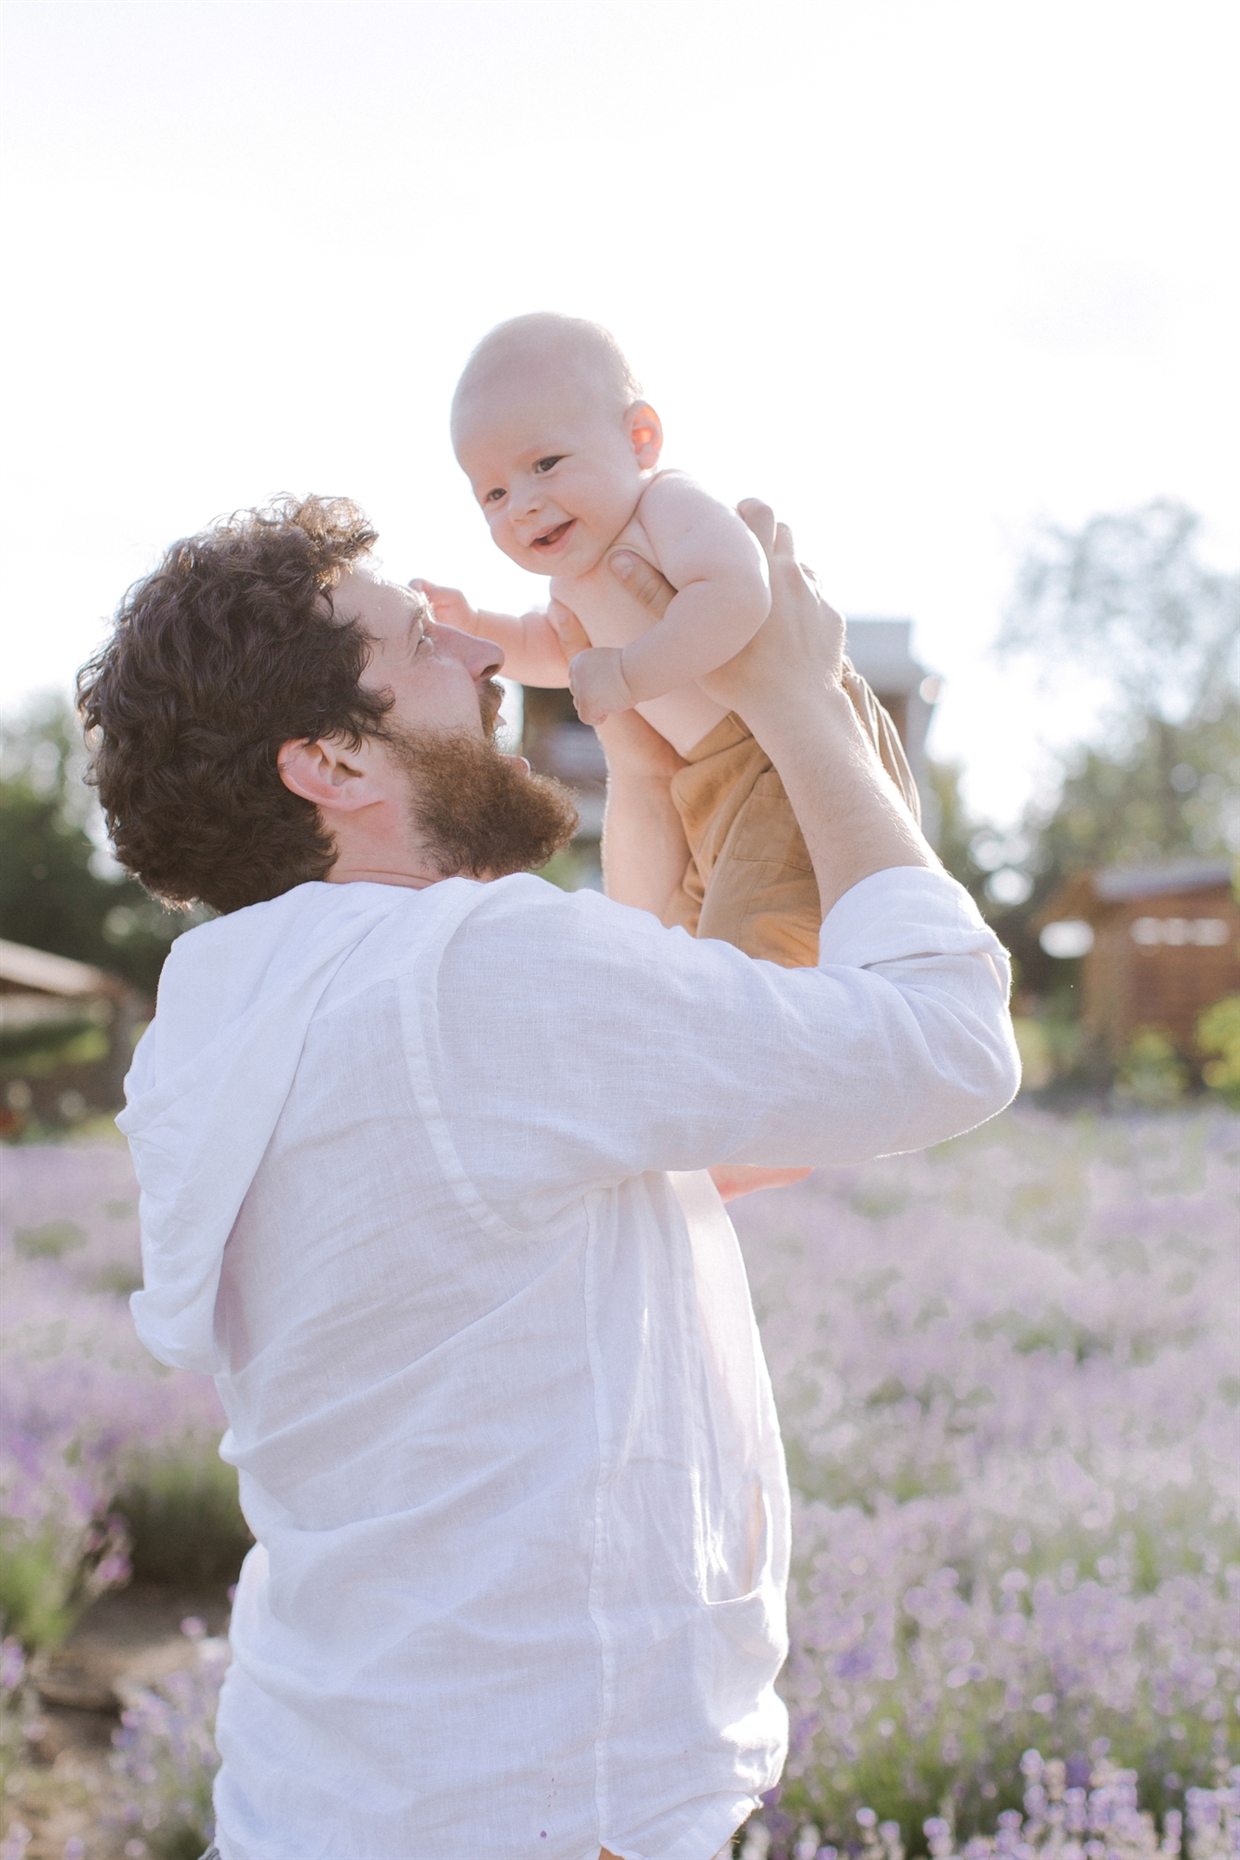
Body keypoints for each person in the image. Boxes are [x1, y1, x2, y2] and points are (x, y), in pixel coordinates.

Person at [78, 492, 1019, 1860]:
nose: (475, 650)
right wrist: (800, 697)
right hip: (537, 1803)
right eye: (421, 640)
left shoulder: (239, 1014)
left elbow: (674, 1127)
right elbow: (948, 1041)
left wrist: (642, 779)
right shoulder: (466, 977)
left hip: (330, 1790)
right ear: (332, 760)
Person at [415, 313, 919, 966]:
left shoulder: (665, 506)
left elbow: (737, 592)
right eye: (494, 492)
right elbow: (554, 649)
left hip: (781, 756)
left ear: (640, 439)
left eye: (546, 463)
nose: (522, 505)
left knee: (746, 956)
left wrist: (627, 674)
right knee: (684, 945)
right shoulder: (574, 580)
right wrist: (478, 626)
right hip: (706, 786)